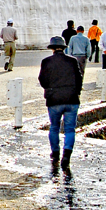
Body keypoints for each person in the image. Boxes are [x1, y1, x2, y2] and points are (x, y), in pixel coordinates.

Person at [38, 36, 82, 169]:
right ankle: (67, 155)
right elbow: (79, 79)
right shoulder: (72, 61)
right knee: (70, 129)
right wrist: (76, 92)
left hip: (54, 100)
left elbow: (42, 80)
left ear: (51, 48)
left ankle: (55, 153)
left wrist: (50, 89)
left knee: (54, 127)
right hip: (71, 99)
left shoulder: (46, 61)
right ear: (64, 47)